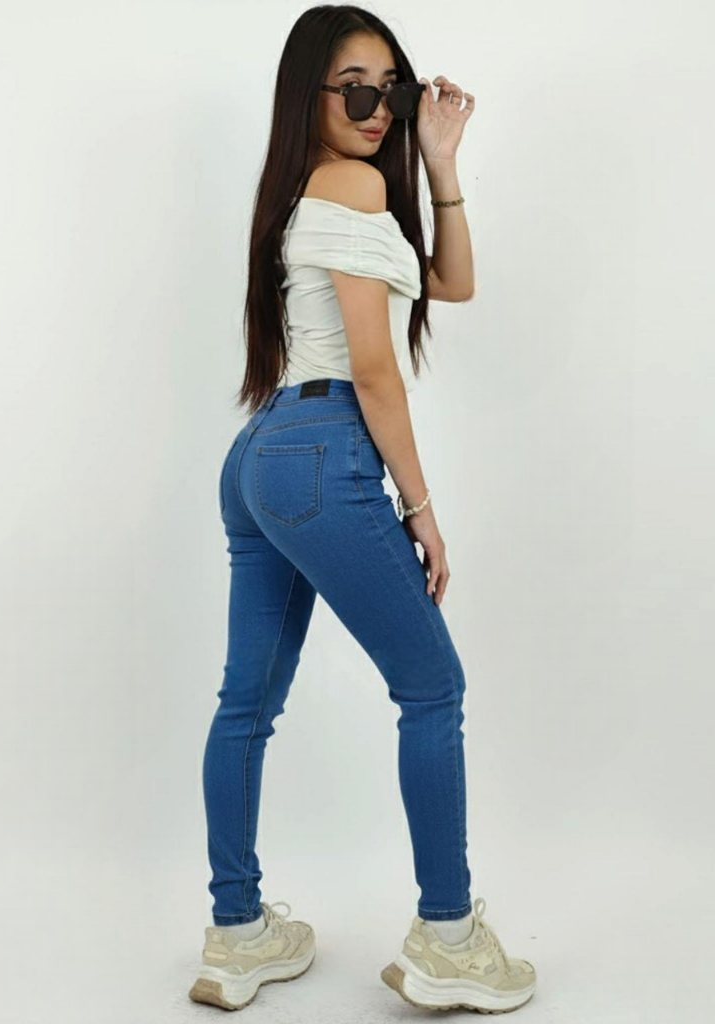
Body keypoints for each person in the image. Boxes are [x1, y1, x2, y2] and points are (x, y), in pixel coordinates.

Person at [189, 6, 537, 1014]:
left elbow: (452, 283)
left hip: (262, 452)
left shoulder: (326, 191)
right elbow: (376, 373)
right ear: (309, 94)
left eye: (392, 88)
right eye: (353, 87)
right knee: (432, 686)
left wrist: (440, 161)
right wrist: (418, 506)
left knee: (245, 704)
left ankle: (237, 934)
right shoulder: (347, 188)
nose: (376, 106)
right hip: (320, 451)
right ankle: (447, 936)